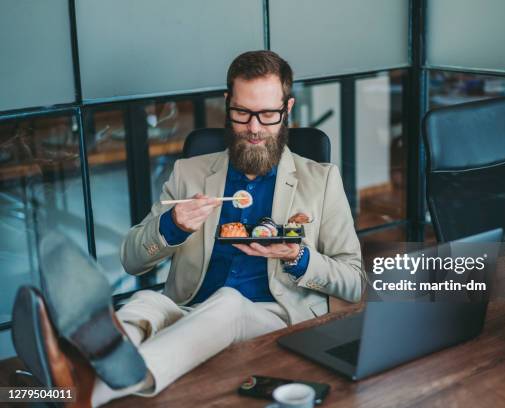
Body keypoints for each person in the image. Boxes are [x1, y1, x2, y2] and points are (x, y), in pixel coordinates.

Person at [11, 50, 363, 407]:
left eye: (268, 115)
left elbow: (353, 279)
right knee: (146, 302)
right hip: (190, 308)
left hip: (273, 317)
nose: (254, 128)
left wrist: (298, 256)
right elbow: (132, 260)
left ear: (287, 109)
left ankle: (82, 391)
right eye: (242, 113)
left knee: (228, 301)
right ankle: (79, 367)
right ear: (227, 104)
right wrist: (173, 226)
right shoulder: (189, 172)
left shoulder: (320, 181)